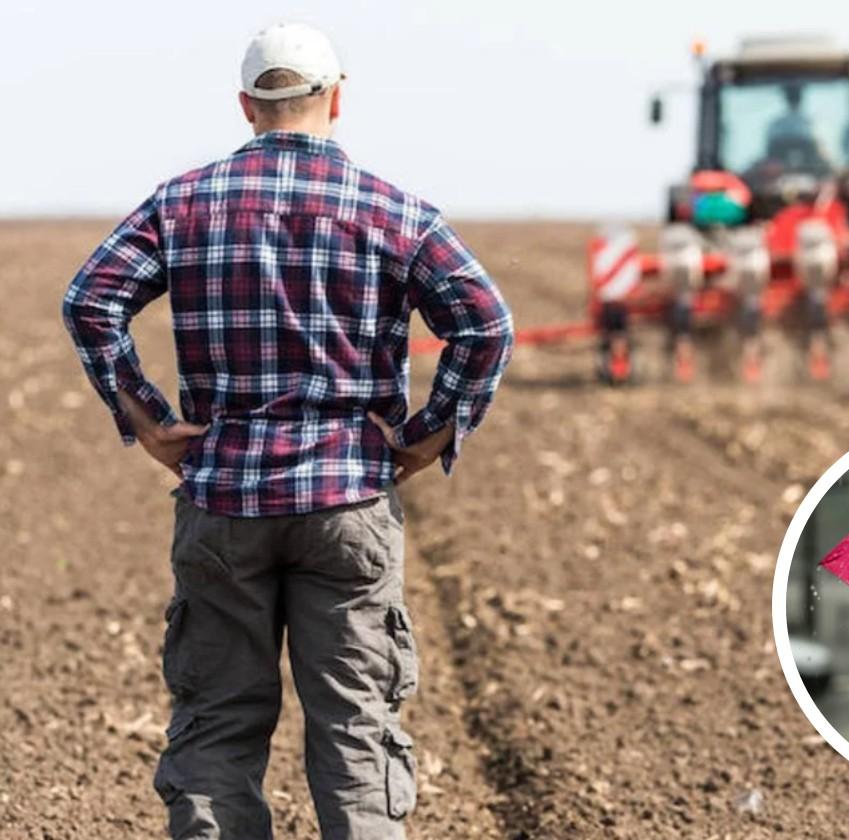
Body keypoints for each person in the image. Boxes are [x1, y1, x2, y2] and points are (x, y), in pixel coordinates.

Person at [61, 22, 513, 839]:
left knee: (216, 733)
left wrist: (151, 421)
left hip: (224, 504)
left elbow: (90, 300)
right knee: (355, 738)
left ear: (246, 105)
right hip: (349, 503)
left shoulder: (182, 203)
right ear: (338, 98)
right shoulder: (395, 210)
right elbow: (486, 323)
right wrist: (427, 435)